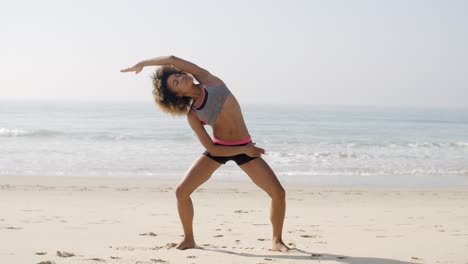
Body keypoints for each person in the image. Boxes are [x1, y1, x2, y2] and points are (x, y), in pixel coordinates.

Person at [121, 55, 289, 252]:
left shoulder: (210, 81)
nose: (180, 77)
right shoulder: (193, 115)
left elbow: (173, 59)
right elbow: (212, 149)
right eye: (176, 82)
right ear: (177, 95)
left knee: (278, 193)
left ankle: (277, 241)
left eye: (177, 74)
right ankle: (189, 239)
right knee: (181, 192)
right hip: (223, 148)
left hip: (245, 146)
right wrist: (244, 150)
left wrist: (143, 63)